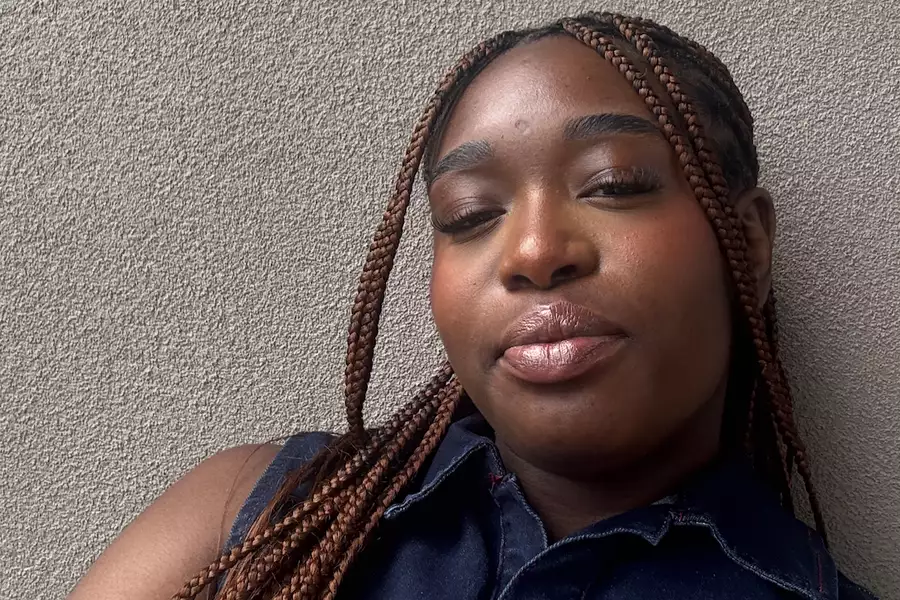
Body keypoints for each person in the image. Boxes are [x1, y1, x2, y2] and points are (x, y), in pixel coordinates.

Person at [69, 11, 878, 600]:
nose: (533, 251)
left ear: (748, 244)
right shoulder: (258, 515)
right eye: (470, 215)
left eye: (612, 184)